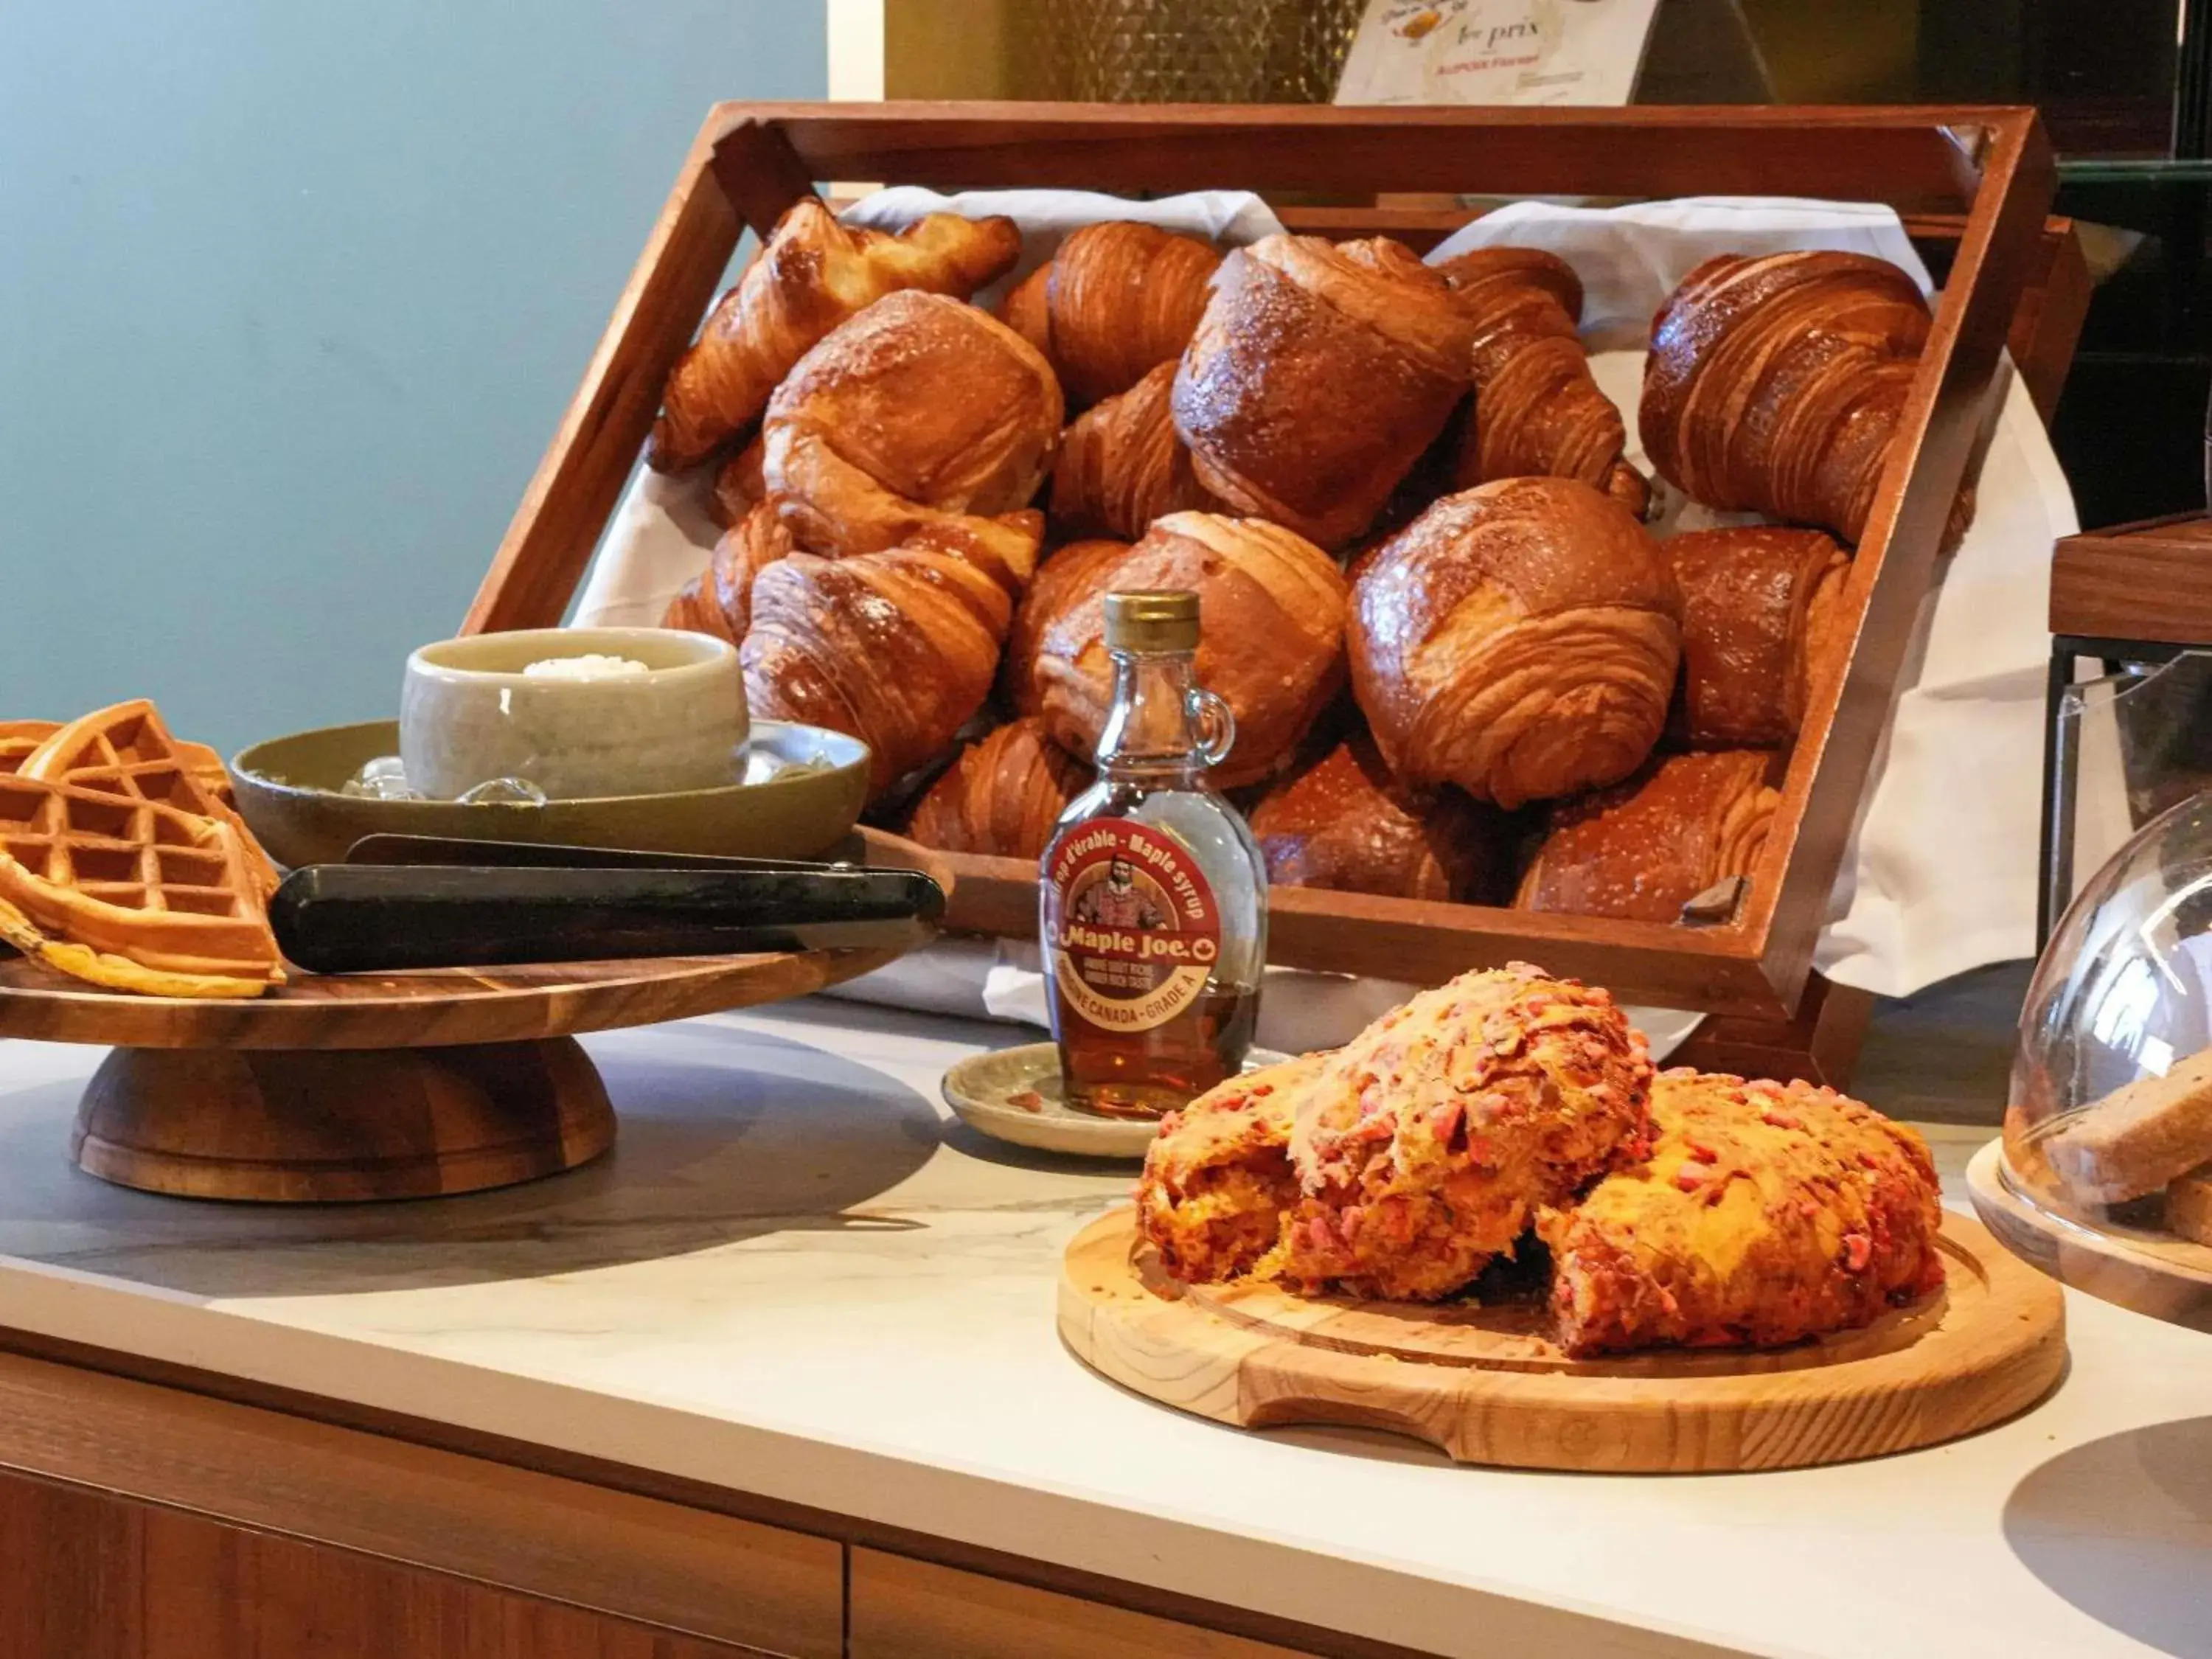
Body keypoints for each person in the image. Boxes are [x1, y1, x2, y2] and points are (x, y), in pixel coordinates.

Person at [1073, 855, 1164, 929]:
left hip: (1128, 947)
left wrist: (1160, 926)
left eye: (1125, 870)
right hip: (1099, 945)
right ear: (1112, 869)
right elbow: (1083, 913)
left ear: (1130, 872)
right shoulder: (1098, 890)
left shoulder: (1139, 897)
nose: (1121, 873)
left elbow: (1153, 918)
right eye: (1118, 869)